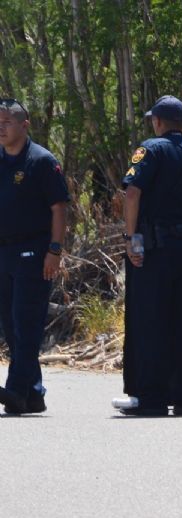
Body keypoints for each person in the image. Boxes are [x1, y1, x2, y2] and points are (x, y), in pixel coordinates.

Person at [119, 95, 182, 417]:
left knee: (151, 319)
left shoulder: (149, 149)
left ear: (158, 122)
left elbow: (132, 192)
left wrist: (131, 238)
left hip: (155, 248)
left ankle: (151, 398)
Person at [0, 98, 69, 415]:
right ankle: (34, 393)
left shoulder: (41, 161)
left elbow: (59, 208)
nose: (1, 128)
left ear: (23, 125)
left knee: (26, 322)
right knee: (10, 324)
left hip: (34, 251)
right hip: (4, 251)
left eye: (7, 122)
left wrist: (54, 251)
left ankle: (15, 390)